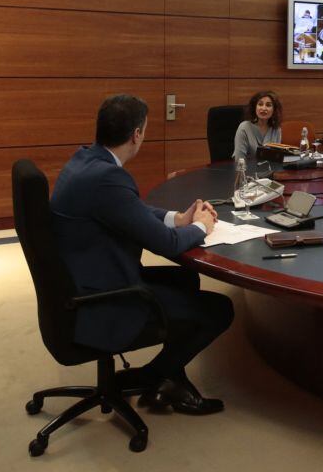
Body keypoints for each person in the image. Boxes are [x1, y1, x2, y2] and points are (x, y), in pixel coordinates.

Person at [51, 94, 233, 415]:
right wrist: (202, 226)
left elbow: (131, 209)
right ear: (137, 134)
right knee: (219, 309)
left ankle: (171, 377)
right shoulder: (109, 177)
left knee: (185, 277)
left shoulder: (86, 161)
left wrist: (177, 218)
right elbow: (168, 245)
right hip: (102, 298)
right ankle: (155, 375)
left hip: (79, 280)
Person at [233, 90, 283, 167]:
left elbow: (276, 160)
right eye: (260, 104)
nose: (263, 108)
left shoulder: (276, 129)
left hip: (269, 174)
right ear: (255, 107)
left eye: (268, 105)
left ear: (274, 110)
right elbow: (239, 160)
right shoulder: (244, 128)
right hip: (247, 174)